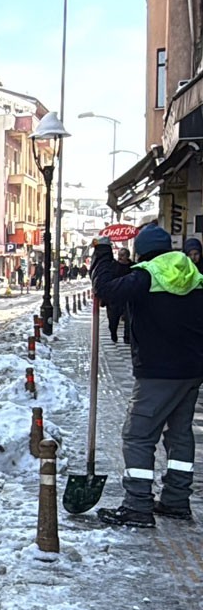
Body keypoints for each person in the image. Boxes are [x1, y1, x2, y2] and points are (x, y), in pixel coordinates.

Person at [90, 223, 203, 527]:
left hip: (158, 371)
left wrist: (102, 254)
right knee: (179, 435)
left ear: (142, 250)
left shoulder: (146, 276)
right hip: (192, 370)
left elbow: (105, 290)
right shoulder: (194, 276)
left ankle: (138, 505)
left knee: (138, 435)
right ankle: (176, 501)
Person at [106, 247, 132, 343]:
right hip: (115, 297)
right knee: (113, 319)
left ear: (127, 256)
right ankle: (113, 333)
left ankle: (127, 337)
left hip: (128, 296)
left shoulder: (132, 266)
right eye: (119, 255)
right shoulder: (113, 266)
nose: (120, 257)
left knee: (129, 318)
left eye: (122, 255)